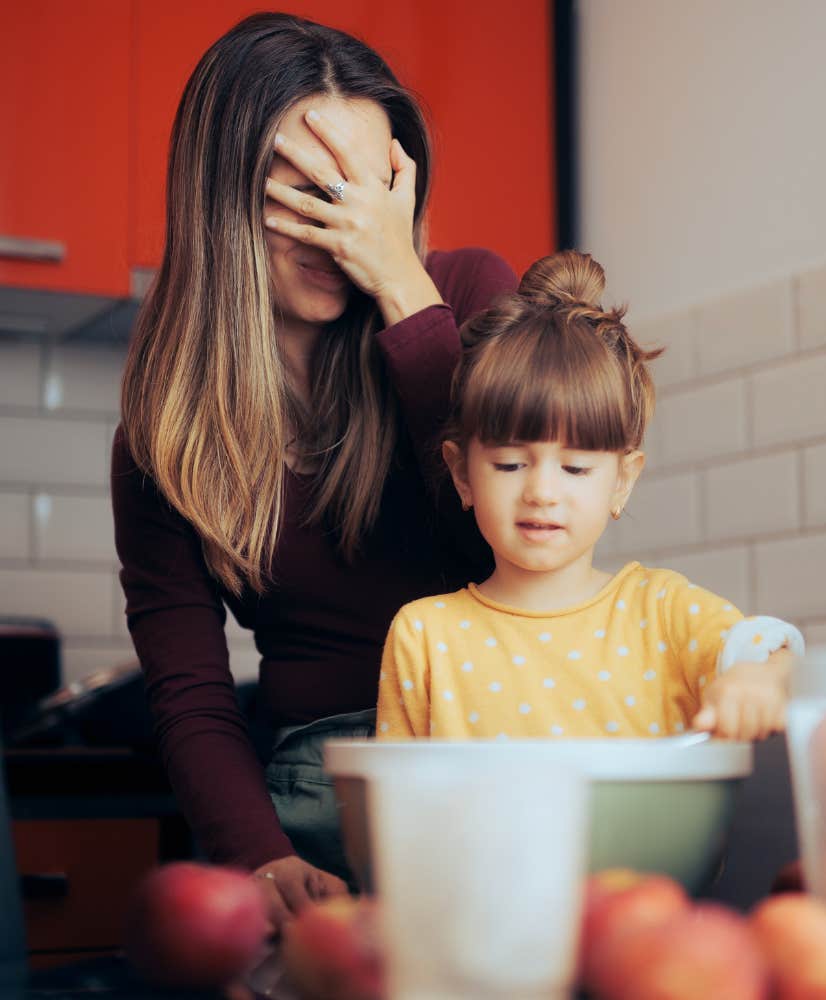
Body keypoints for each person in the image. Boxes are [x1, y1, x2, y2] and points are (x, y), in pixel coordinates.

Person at [111, 11, 516, 931]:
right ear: (222, 194)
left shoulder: (470, 299)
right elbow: (193, 692)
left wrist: (404, 290)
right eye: (305, 193)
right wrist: (260, 859)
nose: (343, 227)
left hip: (499, 758)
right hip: (317, 782)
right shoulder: (166, 436)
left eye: (365, 190)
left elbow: (506, 540)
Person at [376, 250, 804, 743]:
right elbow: (394, 804)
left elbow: (772, 650)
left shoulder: (662, 610)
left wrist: (759, 679)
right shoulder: (424, 635)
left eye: (576, 467)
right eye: (511, 465)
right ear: (462, 474)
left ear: (622, 481)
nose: (541, 492)